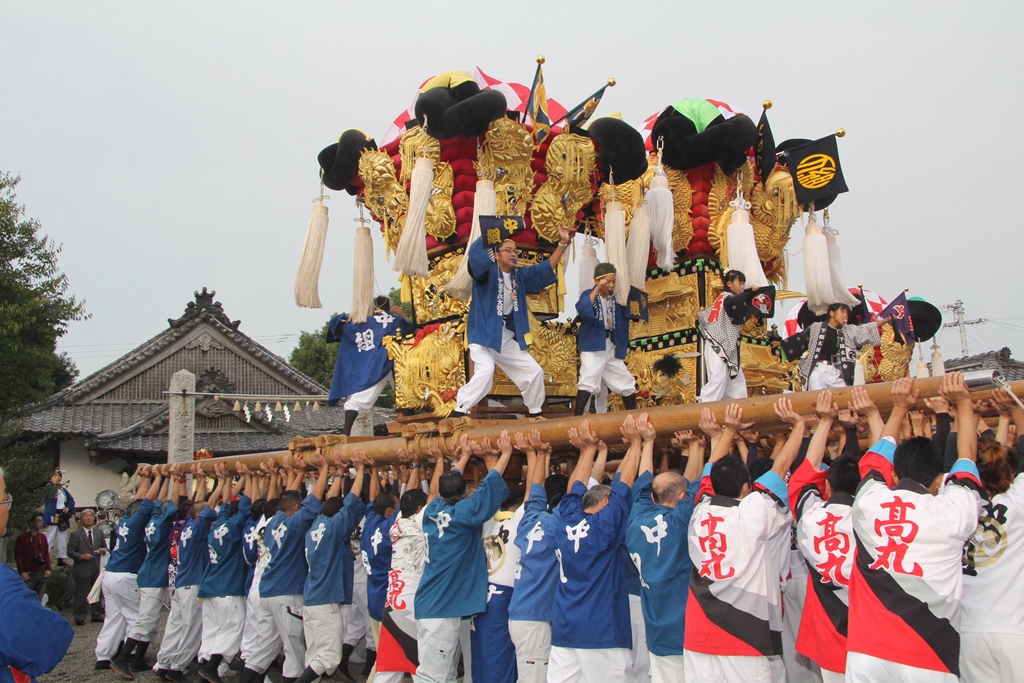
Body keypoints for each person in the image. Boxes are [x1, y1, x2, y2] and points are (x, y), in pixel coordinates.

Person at [846, 374, 984, 682]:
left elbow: (875, 461)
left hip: (866, 652)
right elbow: (967, 459)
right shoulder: (951, 510)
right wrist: (963, 403)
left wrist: (898, 408)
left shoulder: (870, 504)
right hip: (928, 652)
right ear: (939, 482)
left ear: (894, 475)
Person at [684, 400, 806, 683]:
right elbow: (780, 469)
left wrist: (728, 430)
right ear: (746, 488)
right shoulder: (753, 512)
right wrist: (799, 426)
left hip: (699, 631)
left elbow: (710, 471)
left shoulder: (700, 511)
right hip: (743, 633)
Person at [547, 416, 643, 682]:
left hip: (566, 628)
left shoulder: (564, 522)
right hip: (601, 631)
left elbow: (573, 490)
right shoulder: (604, 527)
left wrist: (587, 450)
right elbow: (623, 486)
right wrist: (636, 444)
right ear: (603, 503)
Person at [414, 431, 514, 683]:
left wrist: (466, 455)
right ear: (463, 493)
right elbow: (488, 486)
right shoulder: (462, 515)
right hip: (441, 606)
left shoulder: (431, 511)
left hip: (433, 602)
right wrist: (506, 454)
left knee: (444, 674)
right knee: (432, 676)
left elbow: (445, 489)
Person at [450, 219, 572, 417]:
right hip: (482, 334)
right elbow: (476, 256)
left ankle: (534, 412)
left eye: (515, 251)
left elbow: (544, 269)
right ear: (496, 255)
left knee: (534, 372)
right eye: (508, 250)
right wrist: (496, 229)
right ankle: (460, 409)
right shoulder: (486, 273)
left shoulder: (518, 275)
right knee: (485, 372)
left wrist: (562, 243)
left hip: (503, 336)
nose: (514, 254)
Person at [786, 390, 860, 683]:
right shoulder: (874, 515)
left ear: (826, 486)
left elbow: (804, 476)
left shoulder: (813, 517)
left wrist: (824, 423)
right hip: (874, 633)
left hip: (829, 634)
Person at [237, 453, 330, 683]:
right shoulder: (295, 522)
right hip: (287, 592)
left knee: (263, 650)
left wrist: (298, 473)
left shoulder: (274, 521)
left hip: (268, 591)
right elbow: (315, 497)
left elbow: (286, 499)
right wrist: (325, 468)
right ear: (297, 508)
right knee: (294, 651)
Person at [625, 428, 702, 683]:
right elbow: (707, 479)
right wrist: (708, 442)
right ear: (682, 498)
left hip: (657, 631)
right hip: (686, 631)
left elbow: (643, 481)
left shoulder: (637, 518)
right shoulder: (681, 520)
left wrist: (647, 442)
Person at [959, 388, 1024, 681]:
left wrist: (967, 416)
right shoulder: (1018, 502)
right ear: (1010, 475)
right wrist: (1016, 410)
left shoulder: (960, 503)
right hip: (1013, 630)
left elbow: (960, 463)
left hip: (969, 631)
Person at [295, 452, 367, 683]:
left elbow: (333, 504)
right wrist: (361, 470)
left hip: (312, 598)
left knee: (315, 654)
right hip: (325, 602)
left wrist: (338, 473)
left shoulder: (317, 525)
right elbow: (350, 503)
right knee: (328, 657)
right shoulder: (335, 528)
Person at [0, 466, 75, 683]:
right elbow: (45, 642)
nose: (8, 506)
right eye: (5, 498)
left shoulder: (41, 538)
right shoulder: (4, 587)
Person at [376, 447, 442, 683]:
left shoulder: (396, 523)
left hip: (393, 597)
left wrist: (415, 468)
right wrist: (441, 459)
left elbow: (409, 497)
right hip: (411, 598)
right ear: (418, 510)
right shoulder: (418, 523)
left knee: (389, 663)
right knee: (419, 659)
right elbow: (435, 492)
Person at [112, 465, 183, 680]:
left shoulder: (152, 520)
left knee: (150, 622)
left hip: (148, 572)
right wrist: (177, 481)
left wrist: (163, 480)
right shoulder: (161, 524)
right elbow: (172, 503)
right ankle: (122, 658)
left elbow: (159, 504)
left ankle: (138, 659)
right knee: (145, 619)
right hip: (153, 576)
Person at [155, 464, 218, 683]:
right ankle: (176, 668)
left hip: (181, 582)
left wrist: (201, 480)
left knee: (176, 624)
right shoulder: (198, 526)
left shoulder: (187, 525)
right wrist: (220, 481)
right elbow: (207, 506)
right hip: (192, 583)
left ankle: (163, 662)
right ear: (200, 515)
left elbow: (197, 506)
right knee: (192, 627)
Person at [95, 466, 159, 670]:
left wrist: (145, 477)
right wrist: (158, 478)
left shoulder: (125, 520)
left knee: (113, 617)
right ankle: (130, 656)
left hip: (111, 574)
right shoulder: (137, 523)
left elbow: (138, 502)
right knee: (136, 617)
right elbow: (147, 504)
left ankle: (103, 656)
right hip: (125, 576)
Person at [195, 464, 254, 683]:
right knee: (233, 629)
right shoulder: (236, 525)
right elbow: (246, 505)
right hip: (228, 587)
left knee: (212, 630)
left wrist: (227, 480)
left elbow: (225, 504)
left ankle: (206, 668)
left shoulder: (217, 524)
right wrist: (249, 477)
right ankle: (211, 668)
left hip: (210, 586)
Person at [508, 431, 558, 683]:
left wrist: (541, 455)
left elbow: (535, 490)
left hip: (521, 613)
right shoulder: (557, 527)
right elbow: (537, 490)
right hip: (535, 618)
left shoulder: (530, 519)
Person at [327, 294, 415, 435]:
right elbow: (411, 326)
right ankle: (409, 422)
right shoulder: (395, 319)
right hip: (397, 362)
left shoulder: (365, 321)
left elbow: (337, 323)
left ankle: (346, 430)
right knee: (407, 393)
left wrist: (355, 313)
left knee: (361, 398)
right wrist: (400, 312)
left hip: (376, 363)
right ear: (388, 306)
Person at [574, 262, 639, 414]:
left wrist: (637, 296)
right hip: (593, 345)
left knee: (625, 379)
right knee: (588, 379)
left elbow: (630, 313)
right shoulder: (589, 295)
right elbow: (583, 308)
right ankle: (576, 417)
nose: (611, 285)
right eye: (607, 281)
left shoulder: (615, 299)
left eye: (613, 281)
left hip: (609, 344)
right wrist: (597, 288)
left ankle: (634, 416)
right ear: (597, 280)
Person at [779, 302, 885, 390]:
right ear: (832, 313)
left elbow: (865, 329)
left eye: (847, 313)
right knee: (818, 398)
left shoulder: (847, 331)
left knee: (844, 397)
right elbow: (800, 338)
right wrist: (781, 343)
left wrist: (886, 320)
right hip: (818, 370)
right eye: (842, 311)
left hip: (835, 371)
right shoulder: (817, 327)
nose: (845, 315)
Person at [359, 466, 400, 679]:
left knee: (383, 652)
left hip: (374, 598)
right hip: (386, 602)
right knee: (387, 657)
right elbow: (405, 510)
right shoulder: (386, 531)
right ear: (388, 513)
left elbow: (374, 498)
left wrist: (373, 469)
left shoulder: (371, 523)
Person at [697, 269, 758, 402]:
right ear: (729, 283)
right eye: (740, 283)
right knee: (718, 377)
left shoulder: (724, 298)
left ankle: (740, 409)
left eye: (744, 284)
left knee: (736, 380)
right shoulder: (726, 298)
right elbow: (734, 305)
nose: (742, 287)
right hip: (717, 342)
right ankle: (704, 407)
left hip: (724, 343)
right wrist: (749, 293)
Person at [67, 508, 108, 625]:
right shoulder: (75, 534)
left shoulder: (99, 532)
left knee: (97, 591)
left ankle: (96, 614)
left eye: (91, 515)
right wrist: (80, 556)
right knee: (81, 593)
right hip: (82, 567)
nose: (89, 517)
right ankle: (79, 616)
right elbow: (70, 551)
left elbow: (105, 547)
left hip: (96, 565)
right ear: (81, 519)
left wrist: (103, 550)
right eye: (86, 515)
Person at [15, 513, 51, 602]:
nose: (40, 523)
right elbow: (18, 556)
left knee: (38, 598)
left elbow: (46, 553)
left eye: (41, 521)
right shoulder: (22, 538)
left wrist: (48, 568)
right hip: (29, 573)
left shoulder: (42, 537)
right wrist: (22, 572)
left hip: (41, 572)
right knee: (26, 598)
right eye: (37, 521)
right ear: (31, 523)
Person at [42, 469, 75, 566]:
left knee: (62, 538)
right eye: (56, 476)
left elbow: (71, 500)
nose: (58, 478)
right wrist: (52, 484)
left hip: (62, 516)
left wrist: (68, 507)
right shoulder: (48, 488)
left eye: (59, 476)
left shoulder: (63, 490)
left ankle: (61, 559)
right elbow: (48, 496)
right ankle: (44, 559)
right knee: (48, 537)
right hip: (52, 514)